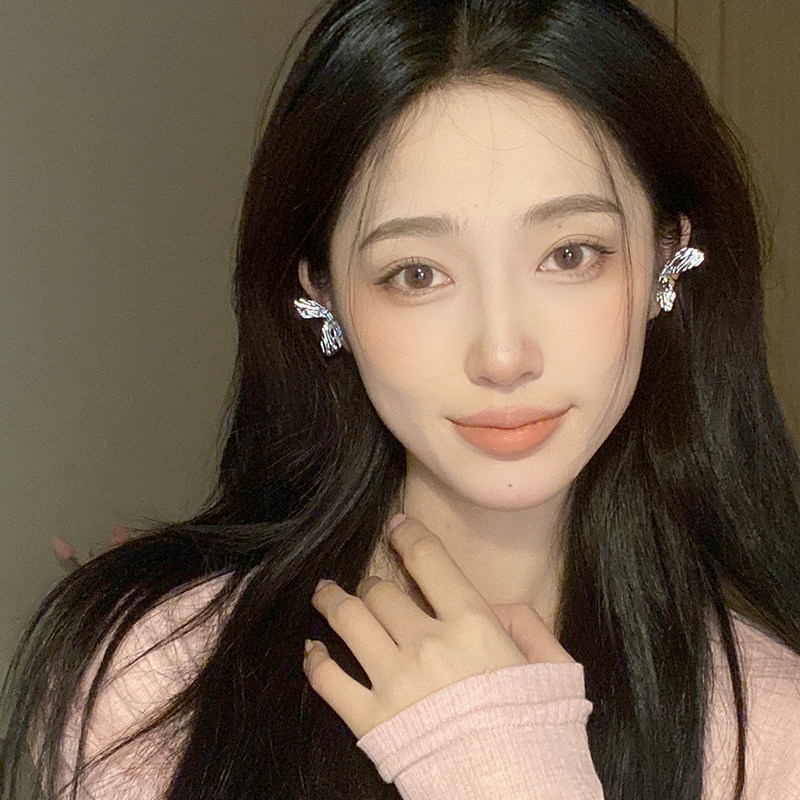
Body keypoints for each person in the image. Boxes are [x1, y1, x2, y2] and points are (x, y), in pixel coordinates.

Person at [3, 0, 800, 798]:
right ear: (324, 293)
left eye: (571, 254)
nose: (502, 356)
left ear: (666, 255)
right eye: (417, 273)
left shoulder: (770, 737)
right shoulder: (155, 679)